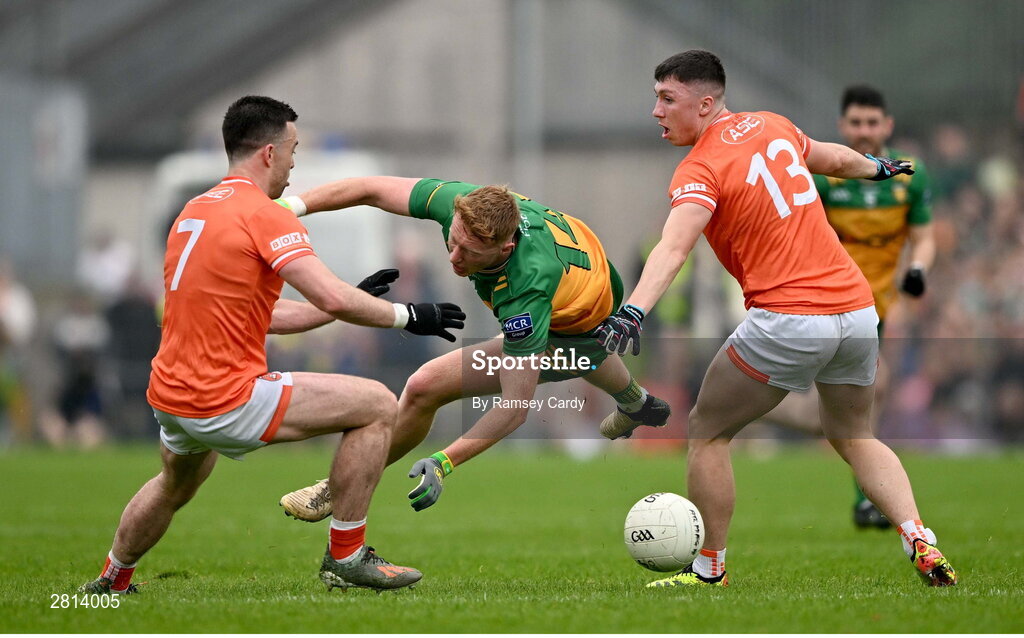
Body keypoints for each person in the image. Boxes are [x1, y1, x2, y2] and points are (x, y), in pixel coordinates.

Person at [596, 50, 956, 588]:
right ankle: (919, 538)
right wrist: (877, 168)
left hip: (789, 319)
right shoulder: (772, 124)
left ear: (706, 103)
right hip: (856, 311)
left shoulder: (700, 167)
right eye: (656, 98)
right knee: (854, 433)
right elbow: (833, 158)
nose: (656, 110)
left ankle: (708, 568)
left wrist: (631, 310)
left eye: (667, 99)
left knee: (708, 430)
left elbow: (673, 247)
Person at [78, 96, 466, 595]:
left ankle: (112, 579)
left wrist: (341, 303)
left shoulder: (193, 212)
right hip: (225, 396)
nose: (292, 163)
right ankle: (347, 556)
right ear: (267, 153)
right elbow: (325, 290)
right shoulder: (264, 214)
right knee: (376, 404)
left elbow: (260, 313)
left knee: (173, 484)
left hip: (173, 397)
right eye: (292, 150)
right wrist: (408, 315)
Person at [277, 177, 672, 520]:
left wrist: (444, 461)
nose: (454, 257)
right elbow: (370, 189)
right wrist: (288, 207)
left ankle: (337, 487)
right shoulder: (461, 204)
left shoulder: (525, 291)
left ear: (504, 249)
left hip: (573, 323)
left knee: (423, 386)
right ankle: (636, 402)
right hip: (590, 286)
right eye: (453, 241)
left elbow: (515, 407)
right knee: (583, 346)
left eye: (469, 253)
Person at [764, 85, 935, 529]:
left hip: (876, 307)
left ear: (887, 126)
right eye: (855, 123)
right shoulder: (824, 178)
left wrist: (918, 268)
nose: (864, 131)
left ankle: (748, 404)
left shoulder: (909, 176)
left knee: (859, 403)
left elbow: (925, 237)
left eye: (872, 122)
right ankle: (867, 499)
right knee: (864, 399)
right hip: (831, 300)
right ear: (842, 127)